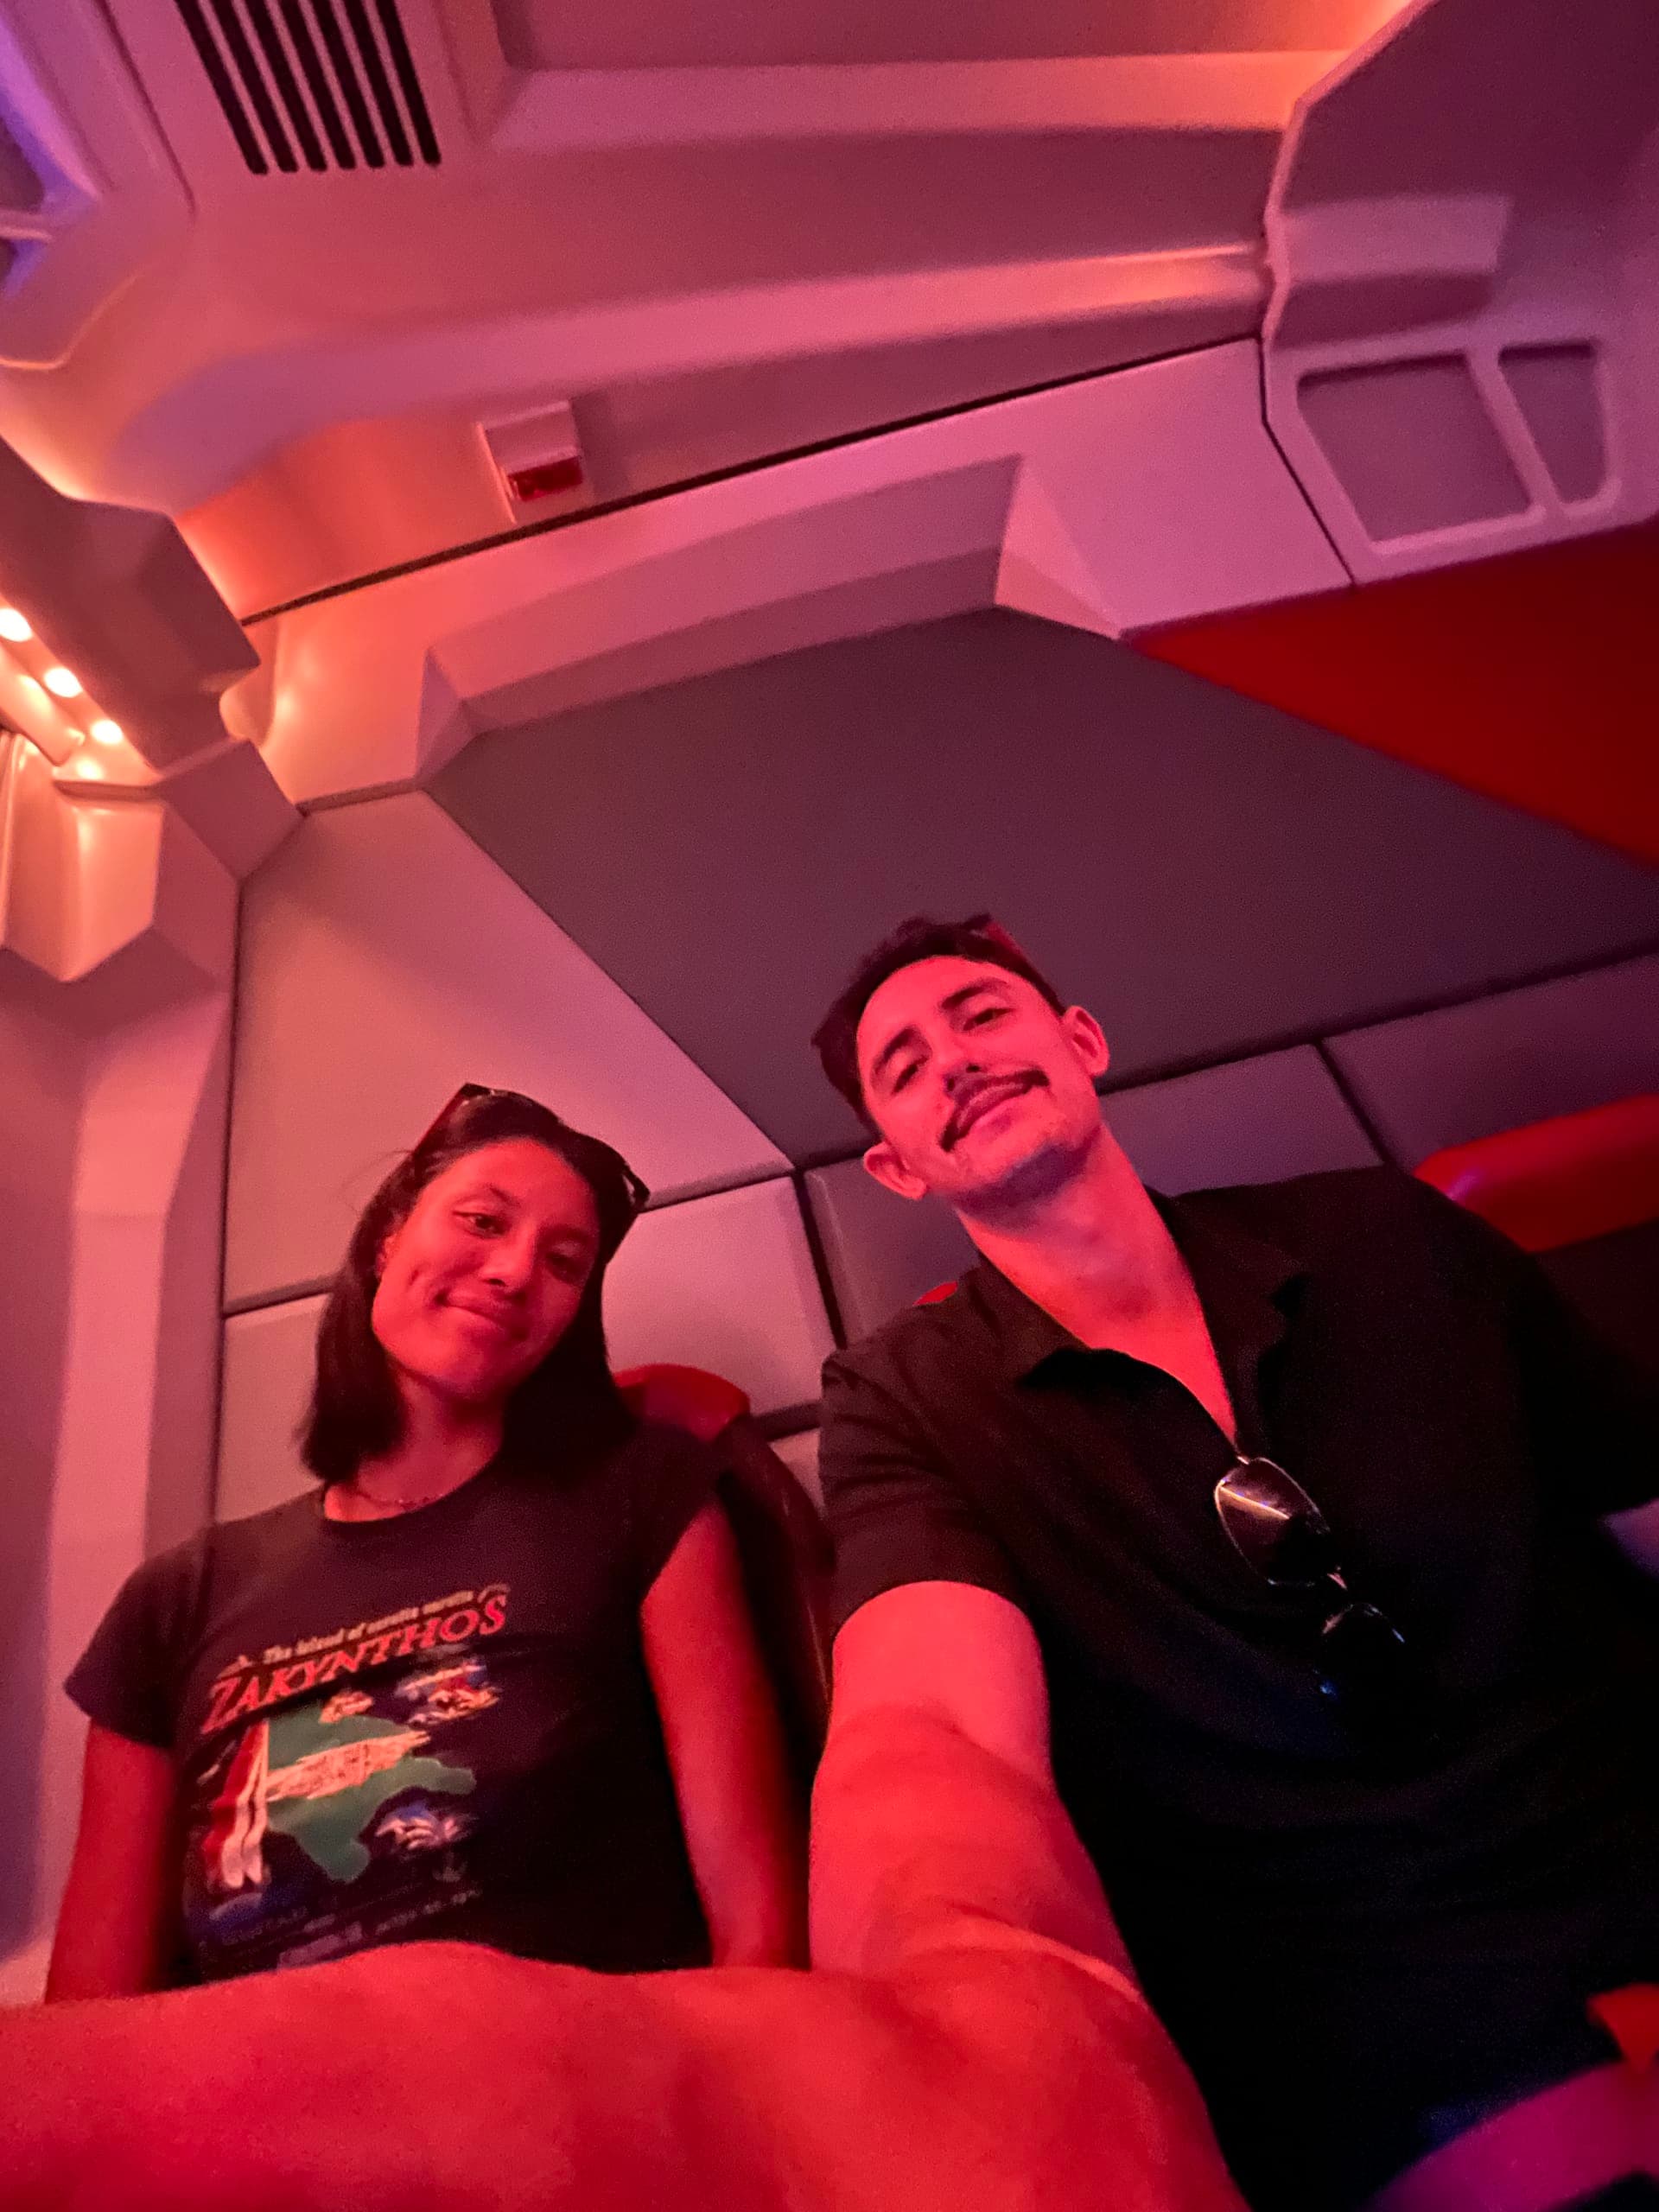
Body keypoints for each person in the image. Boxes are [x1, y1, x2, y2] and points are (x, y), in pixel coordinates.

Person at [808, 913, 1659, 2208]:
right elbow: (930, 1725)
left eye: (982, 1015)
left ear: (1081, 1040)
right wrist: (937, 2012)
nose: (958, 1061)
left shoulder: (1385, 1231)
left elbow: (1637, 1479)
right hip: (1367, 2022)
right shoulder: (904, 1402)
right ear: (896, 1167)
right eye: (907, 1066)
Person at [48, 1083, 803, 1997]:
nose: (515, 1271)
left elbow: (758, 1938)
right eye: (483, 1221)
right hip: (258, 2080)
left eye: (565, 1263)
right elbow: (92, 2021)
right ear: (387, 1238)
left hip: (577, 2064)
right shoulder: (176, 1600)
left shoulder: (639, 1496)